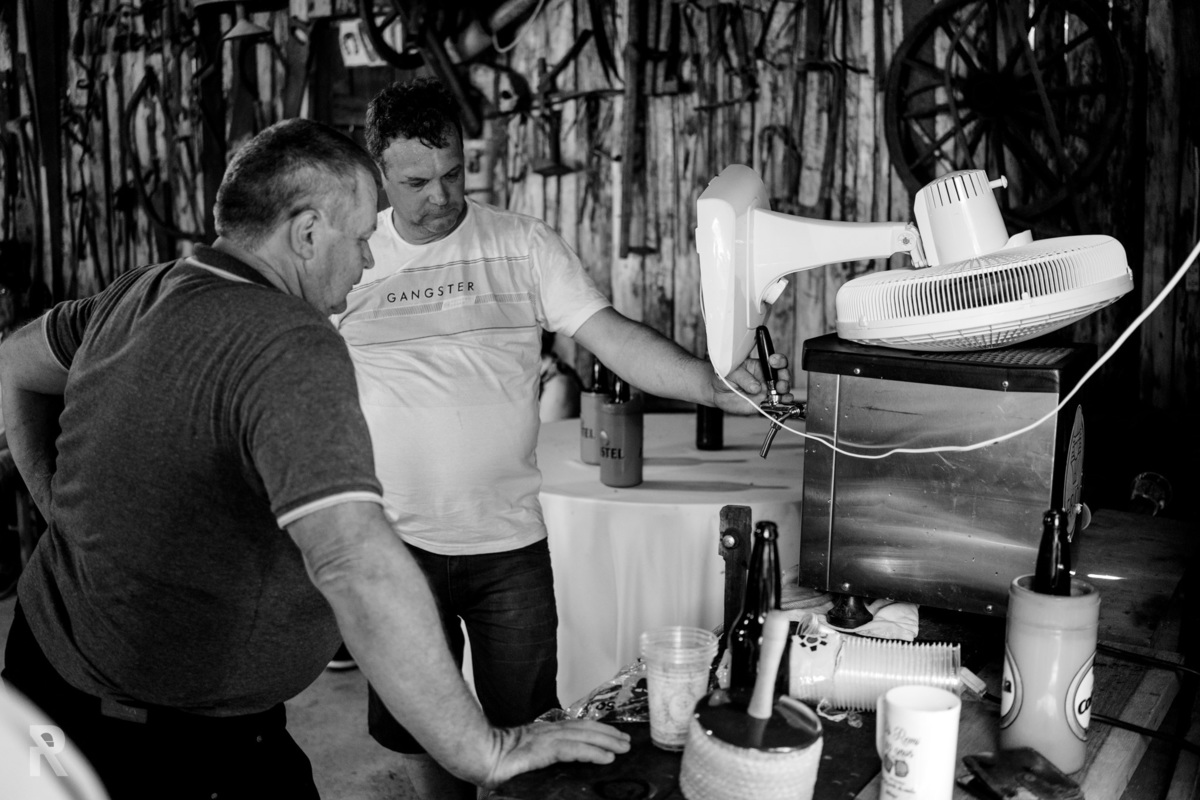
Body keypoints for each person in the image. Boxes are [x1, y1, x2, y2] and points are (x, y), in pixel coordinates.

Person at [0, 118, 629, 800]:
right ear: (305, 234)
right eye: (359, 239)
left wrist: (57, 512)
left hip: (46, 678)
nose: (367, 262)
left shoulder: (138, 293)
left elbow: (13, 363)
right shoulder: (289, 343)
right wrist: (484, 750)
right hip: (164, 739)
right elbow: (354, 562)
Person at [334, 77, 793, 799]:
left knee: (533, 731)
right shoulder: (351, 261)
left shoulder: (521, 244)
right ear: (378, 173)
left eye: (454, 172)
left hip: (506, 545)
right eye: (417, 182)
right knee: (421, 728)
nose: (442, 196)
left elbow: (612, 337)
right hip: (395, 546)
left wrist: (711, 384)